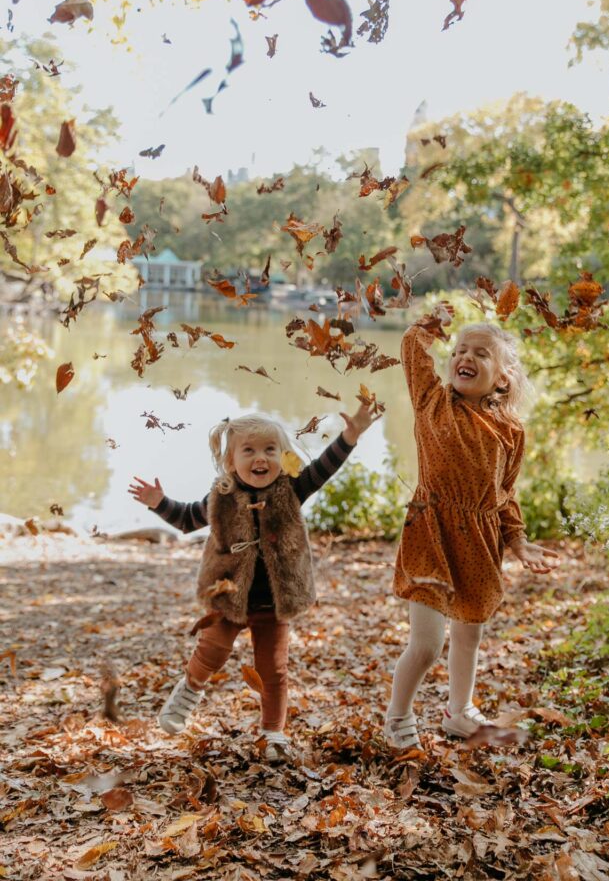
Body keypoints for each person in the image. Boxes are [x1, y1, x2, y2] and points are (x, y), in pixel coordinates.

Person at [129, 404, 376, 762]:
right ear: (231, 461)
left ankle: (273, 733)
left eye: (269, 450)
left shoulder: (291, 489)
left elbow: (325, 467)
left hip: (276, 601)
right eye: (249, 450)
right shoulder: (222, 495)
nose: (260, 458)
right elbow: (185, 520)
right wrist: (159, 503)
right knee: (211, 651)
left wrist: (350, 436)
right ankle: (189, 689)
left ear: (283, 456)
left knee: (273, 671)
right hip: (227, 596)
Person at [384, 303, 560, 750]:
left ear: (503, 376)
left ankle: (458, 712)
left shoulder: (511, 430)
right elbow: (411, 349)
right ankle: (397, 717)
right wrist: (429, 324)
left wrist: (518, 540)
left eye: (481, 353)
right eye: (460, 350)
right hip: (431, 531)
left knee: (470, 632)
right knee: (426, 645)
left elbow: (505, 493)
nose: (465, 357)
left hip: (480, 542)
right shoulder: (432, 400)